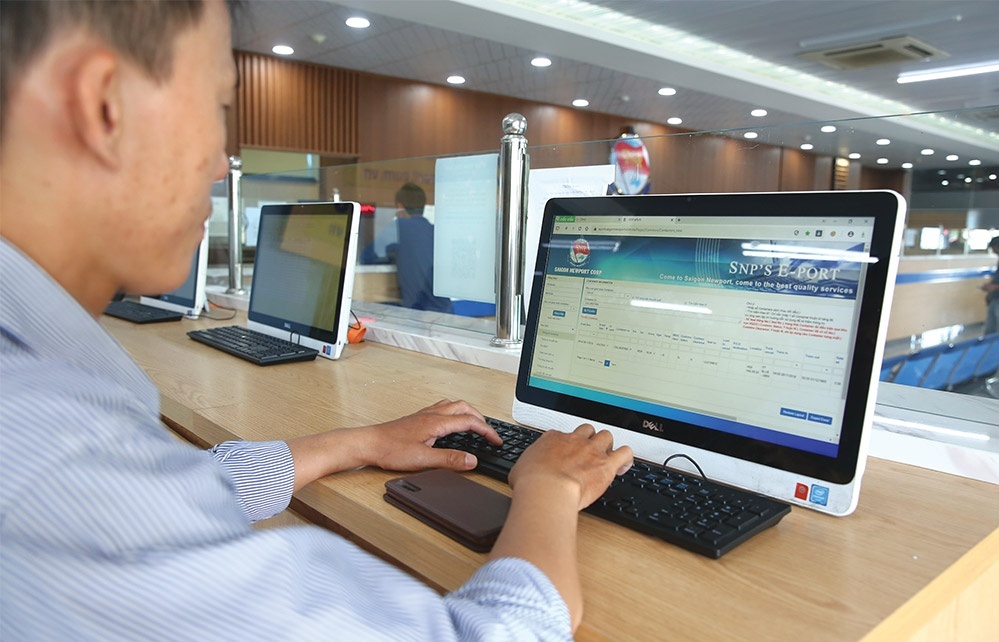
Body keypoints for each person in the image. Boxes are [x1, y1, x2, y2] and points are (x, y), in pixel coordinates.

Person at [0, 1, 633, 640]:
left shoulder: (46, 408)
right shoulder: (57, 462)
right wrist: (548, 488)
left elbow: (166, 495)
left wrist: (357, 443)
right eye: (217, 106)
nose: (222, 166)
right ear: (104, 104)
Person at [361, 182, 453, 312]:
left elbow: (366, 257)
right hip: (446, 311)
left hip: (421, 315)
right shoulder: (433, 231)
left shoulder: (398, 227)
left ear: (399, 206)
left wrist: (392, 256)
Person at [982, 235, 999, 336]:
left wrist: (994, 287)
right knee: (990, 329)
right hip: (995, 298)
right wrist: (990, 285)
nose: (993, 251)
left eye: (994, 248)